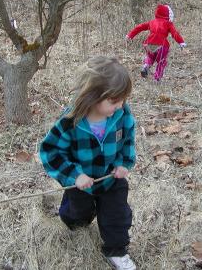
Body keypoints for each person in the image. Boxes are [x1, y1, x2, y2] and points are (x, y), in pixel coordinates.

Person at [39, 56, 137, 270]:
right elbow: (51, 152)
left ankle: (116, 250)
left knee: (117, 214)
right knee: (79, 215)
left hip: (111, 179)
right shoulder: (70, 122)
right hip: (82, 182)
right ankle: (71, 217)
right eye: (114, 100)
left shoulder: (122, 114)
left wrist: (124, 164)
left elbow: (128, 140)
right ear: (93, 96)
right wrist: (74, 175)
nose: (120, 105)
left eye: (123, 99)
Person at [126, 4, 186, 81]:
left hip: (149, 43)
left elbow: (139, 27)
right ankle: (157, 78)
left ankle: (146, 66)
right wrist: (181, 42)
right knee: (161, 62)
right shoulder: (168, 23)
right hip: (162, 45)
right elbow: (175, 33)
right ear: (168, 15)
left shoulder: (152, 22)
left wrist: (130, 35)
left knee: (150, 57)